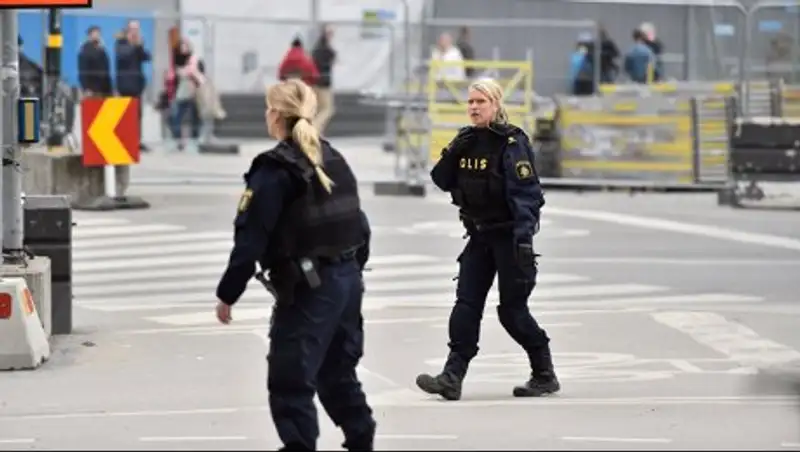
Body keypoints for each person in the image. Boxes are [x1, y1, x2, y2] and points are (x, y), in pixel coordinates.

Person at [214, 78, 376, 451]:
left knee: (291, 378)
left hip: (310, 289)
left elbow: (250, 241)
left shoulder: (273, 171)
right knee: (337, 372)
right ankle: (361, 438)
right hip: (348, 282)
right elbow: (359, 224)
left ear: (275, 115)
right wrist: (350, 273)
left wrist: (227, 294)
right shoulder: (333, 157)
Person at [415, 78, 559, 401]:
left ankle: (544, 373)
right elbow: (440, 179)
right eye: (470, 102)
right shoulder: (466, 140)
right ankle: (452, 376)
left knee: (512, 312)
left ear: (495, 105)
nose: (474, 107)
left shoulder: (511, 144)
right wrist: (453, 151)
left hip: (509, 239)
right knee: (466, 305)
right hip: (479, 237)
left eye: (481, 101)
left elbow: (527, 196)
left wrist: (524, 242)